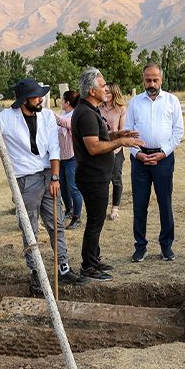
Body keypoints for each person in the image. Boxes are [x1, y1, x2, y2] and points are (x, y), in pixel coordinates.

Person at [0, 78, 90, 291]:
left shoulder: (46, 116)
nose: (41, 98)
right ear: (25, 99)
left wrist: (55, 177)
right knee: (30, 227)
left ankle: (63, 267)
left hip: (48, 175)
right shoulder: (6, 118)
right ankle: (36, 271)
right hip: (25, 179)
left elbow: (55, 147)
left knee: (57, 223)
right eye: (36, 96)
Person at [72, 68, 144, 279]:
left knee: (97, 220)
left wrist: (117, 133)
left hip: (97, 175)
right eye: (103, 86)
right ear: (92, 90)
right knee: (95, 222)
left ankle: (94, 259)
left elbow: (99, 135)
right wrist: (121, 142)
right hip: (92, 177)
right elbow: (93, 147)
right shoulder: (85, 113)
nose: (106, 89)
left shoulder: (90, 110)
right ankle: (88, 266)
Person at [125, 63, 184, 262]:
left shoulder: (172, 101)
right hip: (139, 159)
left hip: (163, 159)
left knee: (164, 203)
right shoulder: (134, 103)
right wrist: (137, 153)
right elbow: (127, 132)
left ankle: (166, 246)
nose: (151, 83)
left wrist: (163, 153)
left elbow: (178, 132)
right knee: (140, 204)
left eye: (155, 80)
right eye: (148, 80)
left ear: (161, 79)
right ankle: (140, 246)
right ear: (143, 80)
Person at [55, 90, 83, 229]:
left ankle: (77, 217)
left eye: (62, 100)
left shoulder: (75, 116)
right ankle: (69, 209)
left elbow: (65, 123)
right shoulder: (63, 114)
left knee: (74, 188)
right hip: (62, 158)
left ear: (67, 102)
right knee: (64, 187)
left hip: (72, 157)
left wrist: (48, 113)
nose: (61, 102)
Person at [100, 82, 128, 221]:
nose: (106, 94)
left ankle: (115, 209)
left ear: (114, 94)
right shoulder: (99, 107)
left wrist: (113, 140)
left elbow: (122, 130)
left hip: (116, 148)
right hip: (102, 147)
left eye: (109, 92)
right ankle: (101, 207)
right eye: (104, 91)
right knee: (102, 179)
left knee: (116, 178)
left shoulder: (121, 109)